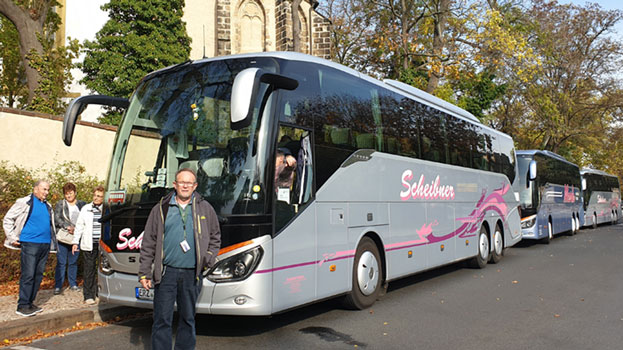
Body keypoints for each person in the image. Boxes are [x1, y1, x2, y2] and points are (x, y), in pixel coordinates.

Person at [139, 168, 221, 350]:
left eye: (189, 183)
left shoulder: (205, 208)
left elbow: (215, 236)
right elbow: (148, 241)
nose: (185, 186)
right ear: (175, 185)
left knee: (187, 319)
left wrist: (208, 258)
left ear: (195, 186)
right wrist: (144, 272)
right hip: (166, 272)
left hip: (192, 274)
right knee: (162, 319)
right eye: (181, 182)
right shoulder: (161, 208)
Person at [3, 179, 57, 317]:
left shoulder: (47, 205)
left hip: (44, 244)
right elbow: (8, 219)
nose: (47, 192)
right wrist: (12, 238)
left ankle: (30, 303)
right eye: (44, 189)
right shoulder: (24, 202)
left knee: (38, 276)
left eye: (48, 190)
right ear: (35, 189)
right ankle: (22, 305)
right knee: (28, 275)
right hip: (30, 243)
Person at [72, 186, 107, 305]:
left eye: (99, 196)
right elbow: (79, 226)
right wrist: (75, 242)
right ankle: (88, 295)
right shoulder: (86, 209)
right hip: (89, 243)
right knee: (89, 270)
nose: (96, 198)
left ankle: (98, 292)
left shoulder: (106, 209)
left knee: (101, 270)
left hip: (102, 244)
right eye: (95, 195)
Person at [53, 183, 86, 295]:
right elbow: (56, 218)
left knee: (73, 262)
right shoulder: (60, 204)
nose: (69, 196)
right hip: (63, 237)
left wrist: (77, 229)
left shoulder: (82, 204)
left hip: (76, 237)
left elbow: (85, 219)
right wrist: (67, 227)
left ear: (75, 192)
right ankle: (58, 286)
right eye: (66, 194)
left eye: (71, 193)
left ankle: (73, 283)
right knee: (61, 262)